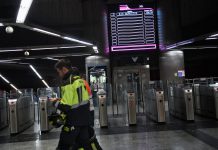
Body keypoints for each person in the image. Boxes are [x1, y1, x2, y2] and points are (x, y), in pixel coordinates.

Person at [50, 59, 92, 150]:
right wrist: (62, 99)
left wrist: (54, 102)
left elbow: (65, 107)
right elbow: (78, 100)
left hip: (73, 121)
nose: (59, 74)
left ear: (64, 69)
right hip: (84, 120)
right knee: (84, 146)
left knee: (63, 146)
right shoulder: (79, 80)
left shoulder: (68, 83)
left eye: (59, 72)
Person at [81, 74, 102, 150]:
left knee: (89, 137)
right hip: (90, 110)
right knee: (91, 136)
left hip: (87, 112)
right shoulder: (86, 83)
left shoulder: (82, 84)